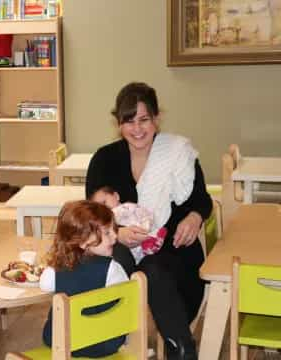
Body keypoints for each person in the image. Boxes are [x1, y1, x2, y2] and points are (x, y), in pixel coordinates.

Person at [86, 82, 212, 360]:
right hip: (118, 247)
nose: (137, 129)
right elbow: (91, 217)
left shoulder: (178, 154)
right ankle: (104, 343)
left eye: (144, 119)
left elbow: (202, 201)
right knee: (112, 261)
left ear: (156, 118)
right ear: (118, 123)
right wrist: (117, 233)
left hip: (173, 251)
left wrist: (194, 217)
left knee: (153, 268)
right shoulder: (104, 159)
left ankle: (181, 350)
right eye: (129, 121)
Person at [40, 200, 129, 358]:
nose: (115, 237)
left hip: (61, 341)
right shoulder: (113, 269)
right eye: (107, 232)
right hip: (104, 343)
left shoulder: (57, 267)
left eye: (114, 230)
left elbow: (44, 284)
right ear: (82, 241)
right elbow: (127, 300)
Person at [90, 186, 166, 264]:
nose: (103, 208)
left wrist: (147, 223)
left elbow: (142, 212)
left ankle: (154, 240)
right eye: (99, 208)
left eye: (104, 202)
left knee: (149, 233)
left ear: (116, 196)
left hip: (141, 229)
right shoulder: (104, 220)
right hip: (130, 250)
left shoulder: (125, 207)